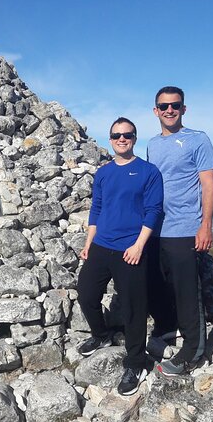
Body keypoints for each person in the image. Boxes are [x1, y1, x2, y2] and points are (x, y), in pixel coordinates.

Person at [77, 117, 163, 395]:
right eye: (116, 135)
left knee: (133, 307)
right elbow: (97, 208)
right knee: (86, 294)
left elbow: (153, 210)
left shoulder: (149, 171)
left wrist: (139, 245)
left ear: (135, 138)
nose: (122, 139)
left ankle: (136, 362)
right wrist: (89, 243)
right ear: (110, 139)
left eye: (127, 135)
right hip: (101, 244)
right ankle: (101, 336)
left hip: (131, 247)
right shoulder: (103, 173)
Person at [146, 86, 213, 376]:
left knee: (188, 291)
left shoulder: (197, 140)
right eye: (163, 106)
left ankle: (193, 352)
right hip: (157, 228)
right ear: (156, 111)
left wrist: (206, 226)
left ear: (183, 109)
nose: (169, 110)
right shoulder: (152, 144)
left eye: (175, 105)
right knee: (160, 283)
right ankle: (167, 327)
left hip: (185, 226)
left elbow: (209, 185)